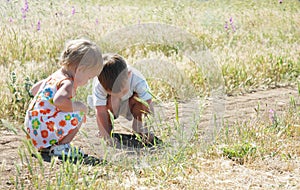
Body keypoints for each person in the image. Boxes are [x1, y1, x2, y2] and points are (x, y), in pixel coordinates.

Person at [24, 38, 103, 157]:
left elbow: (34, 90)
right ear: (80, 70)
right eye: (89, 77)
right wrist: (79, 106)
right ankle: (62, 147)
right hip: (43, 127)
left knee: (61, 112)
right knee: (79, 114)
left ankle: (48, 146)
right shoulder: (68, 83)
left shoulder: (54, 77)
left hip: (32, 126)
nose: (87, 82)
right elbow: (59, 101)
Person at [90, 53, 159, 146]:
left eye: (122, 91)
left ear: (128, 75)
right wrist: (105, 135)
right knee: (107, 107)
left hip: (131, 103)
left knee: (140, 99)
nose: (119, 94)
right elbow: (100, 111)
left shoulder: (137, 79)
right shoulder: (100, 84)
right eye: (113, 92)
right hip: (112, 105)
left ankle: (138, 127)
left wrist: (147, 127)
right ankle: (108, 130)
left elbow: (148, 104)